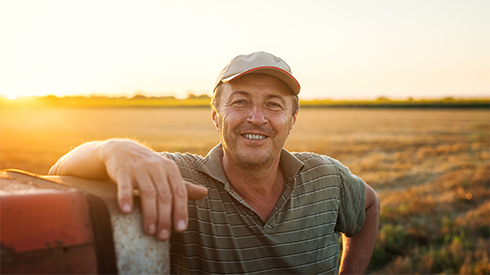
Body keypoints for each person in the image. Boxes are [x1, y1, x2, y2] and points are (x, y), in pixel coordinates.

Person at [49, 51, 380, 274]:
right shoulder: (176, 179)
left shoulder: (326, 177)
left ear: (293, 118)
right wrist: (114, 150)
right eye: (240, 102)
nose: (256, 118)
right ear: (215, 115)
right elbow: (59, 171)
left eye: (273, 105)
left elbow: (368, 206)